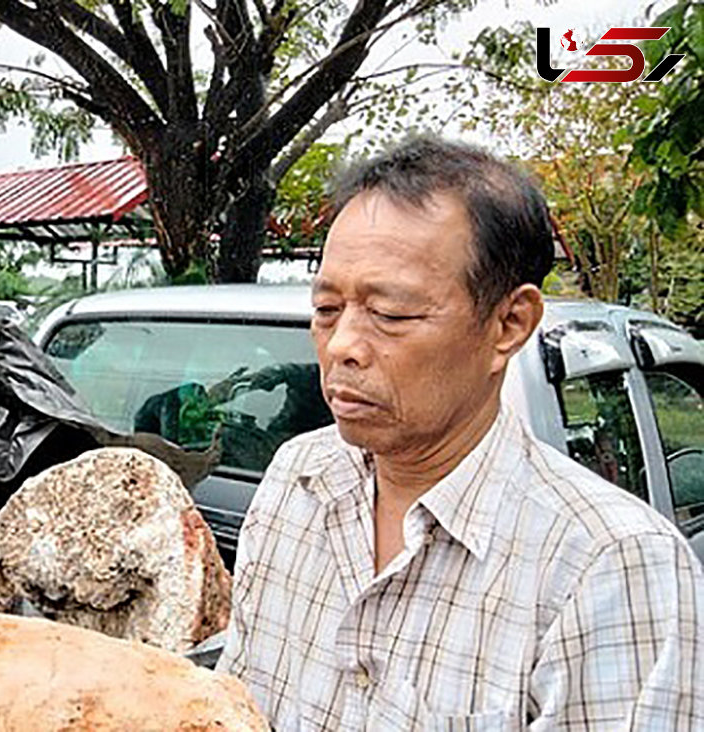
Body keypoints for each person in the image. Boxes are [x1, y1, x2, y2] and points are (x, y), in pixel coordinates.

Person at [217, 137, 704, 728]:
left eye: (391, 314)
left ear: (509, 323)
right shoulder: (297, 479)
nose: (342, 344)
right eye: (326, 310)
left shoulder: (611, 567)